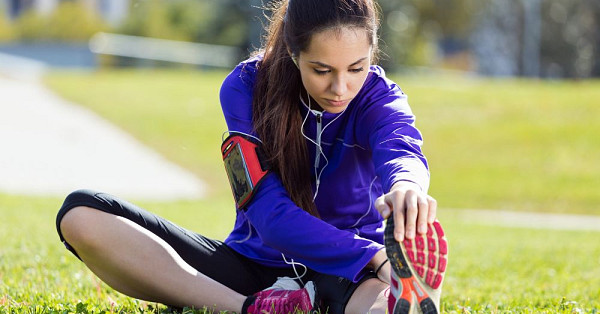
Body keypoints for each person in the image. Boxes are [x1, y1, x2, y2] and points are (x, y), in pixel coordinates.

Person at [55, 0, 448, 313]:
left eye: (357, 68)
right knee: (81, 214)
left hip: (348, 271)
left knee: (380, 302)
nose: (340, 88)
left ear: (372, 54)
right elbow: (270, 217)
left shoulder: (380, 98)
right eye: (322, 70)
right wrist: (376, 255)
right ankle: (249, 309)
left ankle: (401, 297)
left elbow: (401, 146)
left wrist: (407, 186)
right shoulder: (244, 87)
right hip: (253, 267)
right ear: (294, 52)